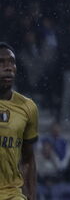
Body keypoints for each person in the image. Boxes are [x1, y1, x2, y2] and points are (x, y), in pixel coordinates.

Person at [0, 42, 38, 200]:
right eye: (1, 62)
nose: (8, 67)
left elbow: (28, 157)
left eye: (12, 62)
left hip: (13, 194)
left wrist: (31, 195)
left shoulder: (28, 107)